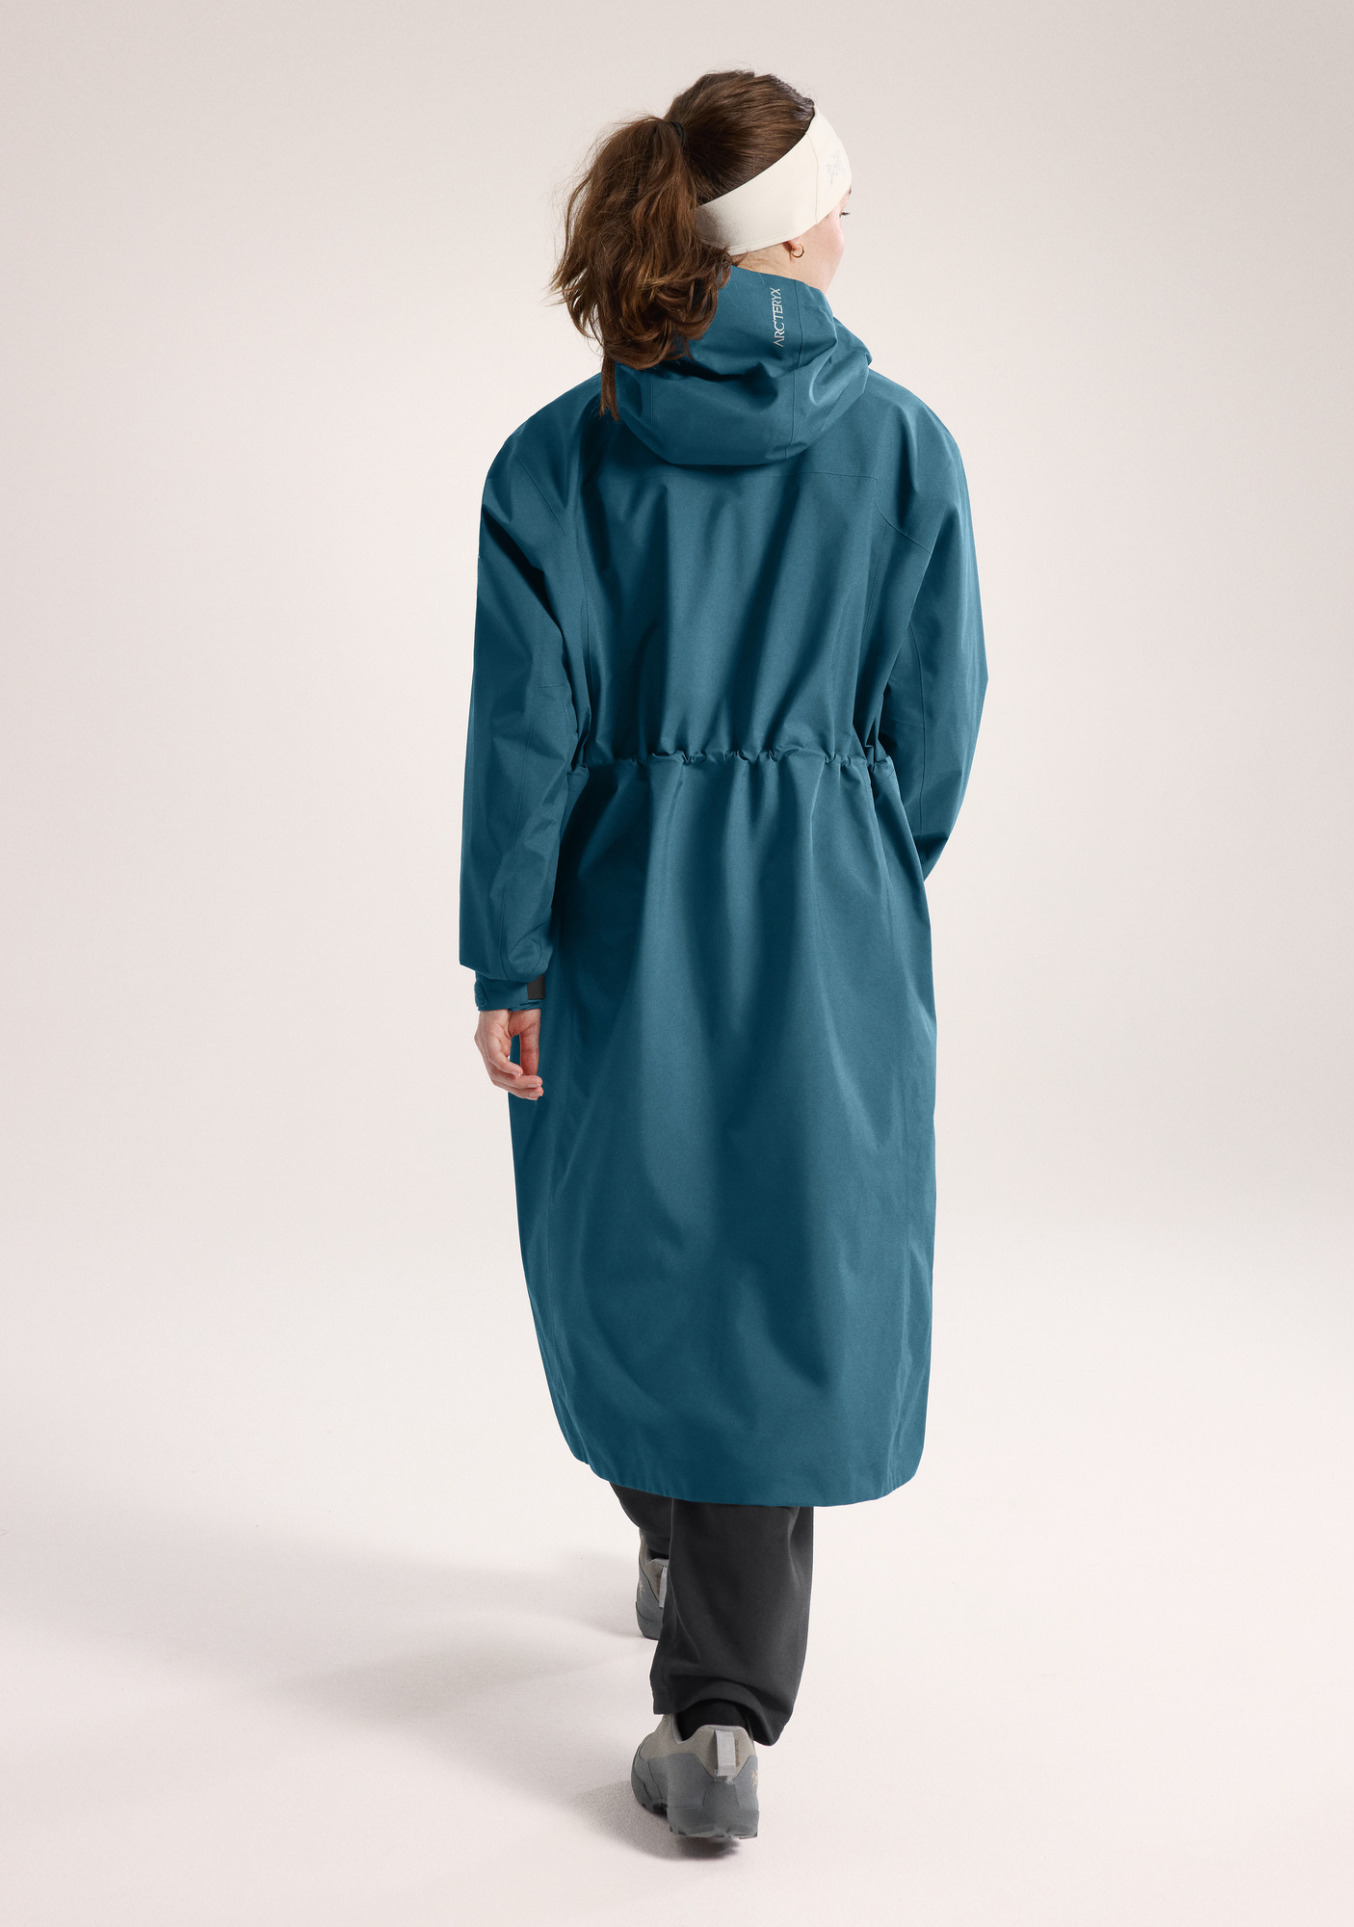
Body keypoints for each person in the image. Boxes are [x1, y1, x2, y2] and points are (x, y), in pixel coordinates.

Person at [460, 70, 987, 1841]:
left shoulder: (555, 457)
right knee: (791, 1252)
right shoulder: (900, 445)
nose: (850, 217)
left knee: (635, 1232)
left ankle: (694, 1628)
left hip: (618, 898)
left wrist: (508, 960)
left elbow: (523, 741)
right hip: (828, 899)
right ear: (792, 230)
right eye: (835, 193)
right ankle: (717, 1693)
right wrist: (852, 856)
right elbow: (940, 719)